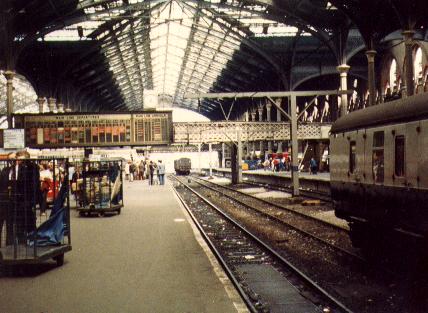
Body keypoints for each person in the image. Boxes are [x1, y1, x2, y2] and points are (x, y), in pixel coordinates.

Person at [0, 152, 16, 245]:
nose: (12, 161)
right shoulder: (5, 170)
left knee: (10, 227)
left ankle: (9, 246)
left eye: (14, 159)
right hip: (3, 201)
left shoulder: (20, 171)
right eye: (10, 159)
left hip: (12, 202)